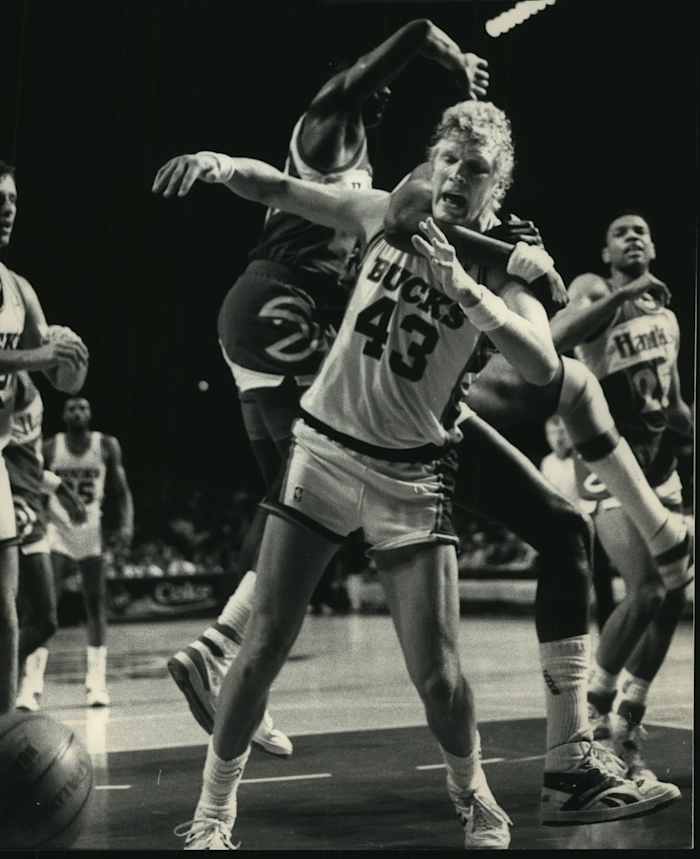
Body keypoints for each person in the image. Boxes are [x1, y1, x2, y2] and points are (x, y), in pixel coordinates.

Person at [154, 101, 679, 850]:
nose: (459, 176)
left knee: (439, 675)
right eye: (451, 160)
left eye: (478, 169)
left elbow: (539, 364)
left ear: (498, 188)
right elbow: (285, 192)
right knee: (266, 639)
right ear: (433, 161)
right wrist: (220, 165)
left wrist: (467, 288)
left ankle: (478, 794)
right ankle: (212, 813)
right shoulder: (385, 212)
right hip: (329, 447)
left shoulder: (504, 261)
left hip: (413, 470)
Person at [161, 19, 489, 758]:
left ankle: (228, 660)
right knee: (337, 475)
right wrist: (437, 46)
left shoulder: (365, 169)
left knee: (293, 503)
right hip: (280, 304)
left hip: (259, 321)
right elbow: (363, 75)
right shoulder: (326, 128)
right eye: (374, 87)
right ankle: (220, 650)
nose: (376, 101)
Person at [550, 212, 694, 779]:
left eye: (642, 231)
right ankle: (591, 709)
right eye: (620, 232)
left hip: (661, 471)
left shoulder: (668, 318)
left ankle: (631, 708)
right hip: (609, 464)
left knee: (674, 593)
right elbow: (556, 340)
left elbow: (675, 406)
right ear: (608, 253)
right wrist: (626, 292)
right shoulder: (593, 289)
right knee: (648, 588)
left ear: (654, 246)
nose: (634, 236)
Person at [0, 159, 89, 713]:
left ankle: (4, 732)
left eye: (12, 198)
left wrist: (70, 363)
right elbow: (35, 356)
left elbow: (60, 376)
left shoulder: (17, 288)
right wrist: (41, 356)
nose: (7, 208)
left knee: (10, 612)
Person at [40, 396, 134, 707]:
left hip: (92, 529)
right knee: (45, 606)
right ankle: (31, 685)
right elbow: (38, 489)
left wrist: (126, 526)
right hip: (57, 528)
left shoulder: (106, 445)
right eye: (71, 408)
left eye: (83, 407)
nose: (78, 412)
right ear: (63, 415)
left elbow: (121, 491)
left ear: (91, 413)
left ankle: (96, 683)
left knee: (95, 605)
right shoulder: (51, 446)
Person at [4, 371, 87, 710]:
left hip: (31, 504)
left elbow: (28, 458)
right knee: (35, 617)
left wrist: (60, 489)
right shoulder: (9, 381)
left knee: (37, 620)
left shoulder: (30, 389)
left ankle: (10, 693)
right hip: (14, 505)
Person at [540, 415, 616, 631]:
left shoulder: (583, 461)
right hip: (562, 533)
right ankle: (570, 634)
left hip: (589, 528)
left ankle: (607, 638)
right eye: (553, 434)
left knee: (602, 586)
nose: (559, 439)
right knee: (568, 589)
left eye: (563, 433)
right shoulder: (547, 463)